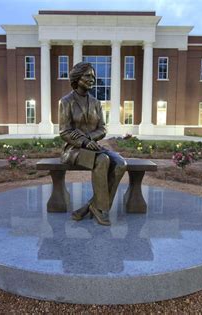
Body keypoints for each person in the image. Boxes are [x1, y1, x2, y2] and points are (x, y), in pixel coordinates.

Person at [59, 62, 126, 226]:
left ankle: (89, 207)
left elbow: (103, 129)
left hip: (93, 147)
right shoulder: (66, 101)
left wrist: (88, 139)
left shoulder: (96, 103)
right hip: (73, 149)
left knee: (121, 164)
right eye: (88, 76)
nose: (92, 79)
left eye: (93, 76)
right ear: (77, 77)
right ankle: (102, 209)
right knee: (103, 160)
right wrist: (83, 142)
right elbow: (64, 131)